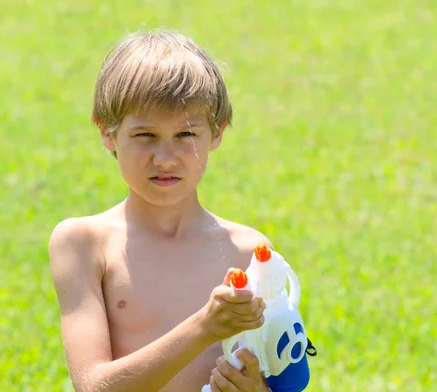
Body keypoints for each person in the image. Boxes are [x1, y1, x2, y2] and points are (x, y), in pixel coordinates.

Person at [48, 28, 273, 392]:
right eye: (145, 135)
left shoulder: (249, 252)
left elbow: (276, 373)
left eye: (186, 135)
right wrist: (204, 328)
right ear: (107, 133)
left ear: (217, 134)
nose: (165, 158)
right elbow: (92, 386)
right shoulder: (84, 244)